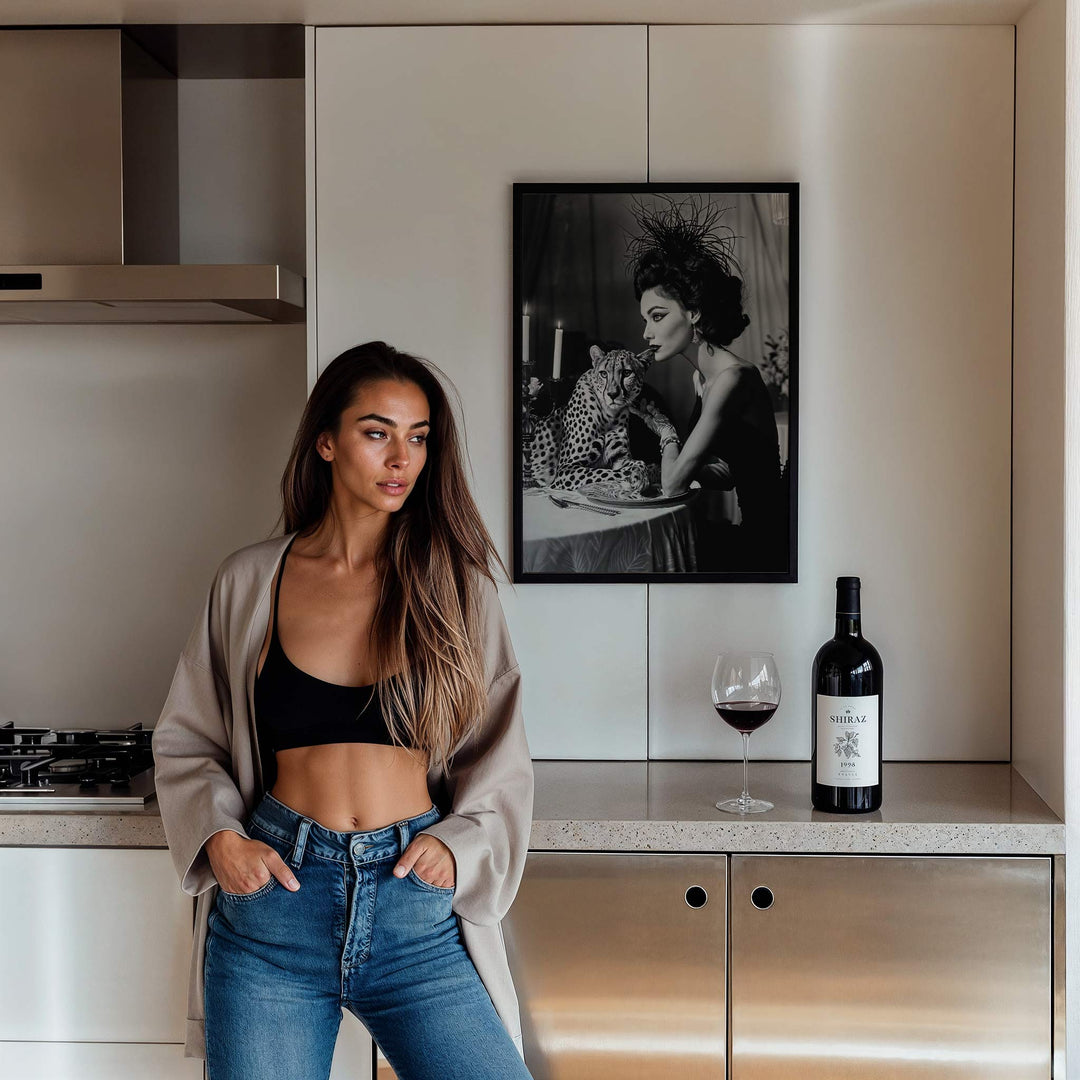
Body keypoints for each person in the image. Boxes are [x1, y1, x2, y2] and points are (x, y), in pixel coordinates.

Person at [152, 341, 535, 1080]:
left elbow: (500, 754)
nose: (402, 457)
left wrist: (457, 847)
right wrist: (221, 841)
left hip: (412, 911)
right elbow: (187, 738)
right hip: (274, 915)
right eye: (377, 432)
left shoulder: (456, 588)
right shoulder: (250, 580)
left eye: (419, 437)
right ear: (326, 441)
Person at [627, 196, 788, 573]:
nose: (646, 332)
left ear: (694, 312)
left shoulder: (733, 379)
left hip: (768, 548)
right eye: (646, 319)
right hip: (753, 536)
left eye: (657, 316)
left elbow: (674, 486)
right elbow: (730, 474)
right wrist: (668, 466)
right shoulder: (703, 377)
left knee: (656, 559)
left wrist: (664, 431)